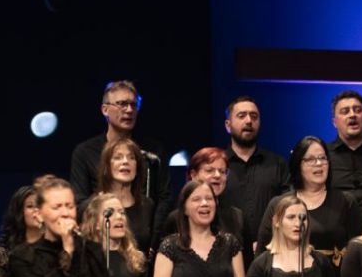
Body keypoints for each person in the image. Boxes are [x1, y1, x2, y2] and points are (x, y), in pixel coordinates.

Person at [69, 79, 170, 225]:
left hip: (145, 235)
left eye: (133, 105)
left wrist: (153, 241)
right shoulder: (84, 152)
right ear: (105, 110)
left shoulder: (153, 151)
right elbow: (79, 203)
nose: (129, 110)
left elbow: (164, 198)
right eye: (122, 104)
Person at [256, 136, 356, 262]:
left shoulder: (346, 201)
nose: (319, 164)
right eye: (311, 159)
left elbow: (359, 252)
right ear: (298, 165)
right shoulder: (278, 204)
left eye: (323, 158)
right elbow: (262, 254)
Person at [221, 96, 286, 256]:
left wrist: (265, 240)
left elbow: (286, 208)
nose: (249, 120)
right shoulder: (217, 166)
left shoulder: (277, 164)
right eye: (241, 116)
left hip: (270, 252)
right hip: (224, 254)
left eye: (254, 116)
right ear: (228, 126)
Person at [158, 147, 246, 251]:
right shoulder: (176, 219)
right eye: (210, 170)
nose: (218, 175)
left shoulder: (237, 217)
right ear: (193, 175)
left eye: (222, 171)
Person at [86, 137, 157, 255]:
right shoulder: (93, 205)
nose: (125, 162)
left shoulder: (147, 205)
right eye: (118, 157)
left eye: (131, 158)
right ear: (106, 167)